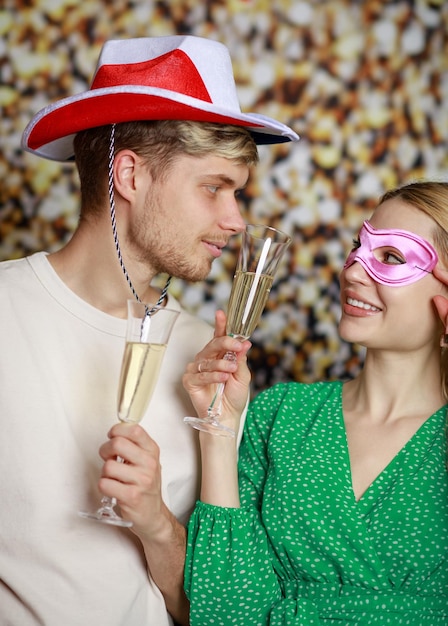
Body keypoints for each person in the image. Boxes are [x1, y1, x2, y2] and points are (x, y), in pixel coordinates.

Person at [0, 35, 299, 626]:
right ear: (130, 175)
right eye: (214, 188)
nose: (236, 220)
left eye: (237, 193)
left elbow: (211, 613)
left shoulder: (206, 363)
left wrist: (158, 524)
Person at [183, 180, 448, 625]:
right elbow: (227, 612)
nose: (352, 271)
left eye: (391, 257)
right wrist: (220, 428)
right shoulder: (282, 414)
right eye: (357, 247)